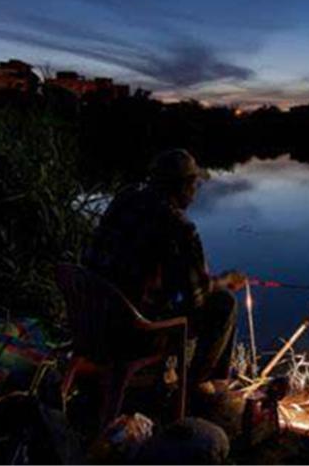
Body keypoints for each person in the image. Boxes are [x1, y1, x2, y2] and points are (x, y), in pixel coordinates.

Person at [83, 149, 246, 394]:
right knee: (224, 304)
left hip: (91, 318)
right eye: (195, 184)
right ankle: (196, 386)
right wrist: (224, 281)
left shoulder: (124, 199)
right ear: (184, 186)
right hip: (134, 333)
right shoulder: (178, 227)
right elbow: (196, 299)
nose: (195, 192)